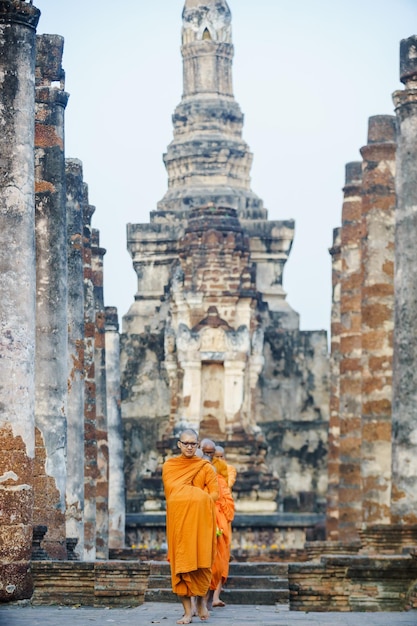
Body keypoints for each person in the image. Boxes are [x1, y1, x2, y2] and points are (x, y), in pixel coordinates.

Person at [162, 429, 218, 624]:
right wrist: (197, 496)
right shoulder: (170, 466)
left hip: (201, 523)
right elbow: (173, 494)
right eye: (185, 443)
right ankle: (187, 612)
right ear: (179, 444)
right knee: (181, 567)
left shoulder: (205, 467)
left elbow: (214, 494)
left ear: (198, 445)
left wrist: (197, 500)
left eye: (193, 444)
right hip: (180, 524)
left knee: (203, 565)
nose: (189, 447)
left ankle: (201, 603)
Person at [200, 439, 235, 610]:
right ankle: (195, 603)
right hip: (200, 520)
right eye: (205, 452)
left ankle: (213, 597)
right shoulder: (192, 470)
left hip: (219, 520)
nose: (210, 456)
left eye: (212, 453)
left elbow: (227, 498)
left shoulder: (221, 473)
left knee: (219, 562)